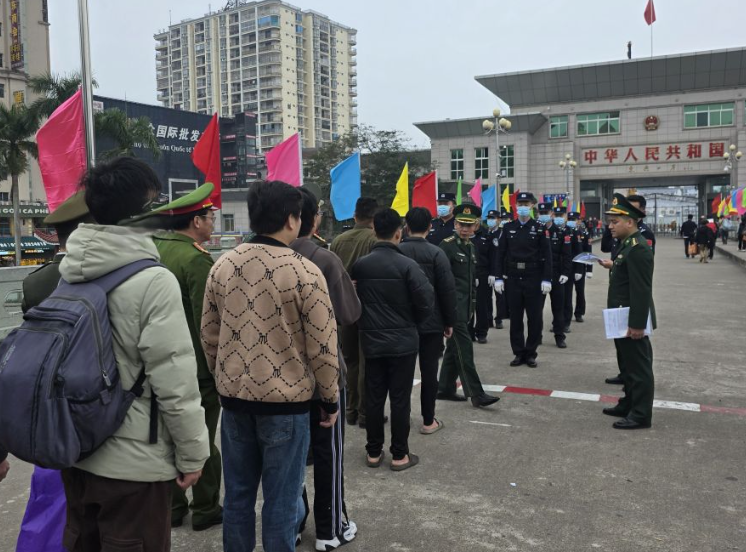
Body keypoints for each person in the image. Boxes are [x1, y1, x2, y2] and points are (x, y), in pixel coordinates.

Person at [59, 157, 210, 552]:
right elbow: (174, 380)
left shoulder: (69, 273)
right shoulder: (152, 280)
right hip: (134, 465)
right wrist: (194, 454)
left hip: (75, 449)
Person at [201, 180, 340, 552]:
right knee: (281, 501)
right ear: (293, 219)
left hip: (235, 401)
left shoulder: (223, 265)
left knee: (237, 496)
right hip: (287, 405)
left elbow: (209, 335)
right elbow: (323, 347)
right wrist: (329, 398)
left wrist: (225, 377)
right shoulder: (305, 271)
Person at [16, 191, 94, 552]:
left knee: (49, 489)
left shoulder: (35, 282)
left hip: (45, 401)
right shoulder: (99, 276)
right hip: (91, 400)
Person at [149, 183, 224, 532]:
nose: (212, 223)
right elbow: (207, 322)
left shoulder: (157, 248)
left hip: (159, 362)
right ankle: (206, 508)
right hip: (195, 368)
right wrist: (216, 368)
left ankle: (174, 507)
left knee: (167, 436)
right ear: (196, 222)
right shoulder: (195, 259)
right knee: (200, 439)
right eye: (210, 218)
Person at [290, 187, 360, 550]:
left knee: (290, 460)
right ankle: (330, 529)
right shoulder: (324, 259)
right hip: (324, 376)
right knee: (328, 454)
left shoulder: (265, 258)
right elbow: (349, 313)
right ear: (311, 219)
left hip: (282, 378)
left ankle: (292, 524)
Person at [351, 208, 434, 471]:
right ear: (400, 232)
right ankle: (400, 455)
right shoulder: (408, 266)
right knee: (400, 399)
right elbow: (426, 301)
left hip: (372, 341)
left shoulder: (361, 265)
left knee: (374, 398)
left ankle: (373, 452)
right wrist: (413, 323)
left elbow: (354, 301)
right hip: (403, 343)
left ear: (374, 231)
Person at [399, 207, 457, 434]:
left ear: (406, 227)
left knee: (402, 374)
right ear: (430, 227)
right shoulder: (436, 253)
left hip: (403, 322)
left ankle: (401, 419)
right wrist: (449, 321)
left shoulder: (397, 251)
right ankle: (428, 420)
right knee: (429, 372)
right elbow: (447, 291)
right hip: (432, 322)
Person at [600, 194, 656, 430]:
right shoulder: (627, 245)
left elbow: (641, 290)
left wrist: (637, 324)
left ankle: (641, 414)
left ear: (630, 222)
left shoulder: (638, 248)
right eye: (610, 222)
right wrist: (614, 265)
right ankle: (629, 403)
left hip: (631, 318)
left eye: (615, 222)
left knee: (639, 368)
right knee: (628, 366)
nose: (610, 226)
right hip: (621, 316)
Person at [437, 204, 500, 407]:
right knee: (464, 349)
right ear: (455, 224)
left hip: (465, 308)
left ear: (476, 226)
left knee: (453, 349)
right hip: (452, 308)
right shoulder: (446, 246)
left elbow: (470, 282)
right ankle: (476, 394)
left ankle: (445, 388)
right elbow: (440, 279)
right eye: (461, 224)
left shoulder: (471, 247)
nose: (464, 229)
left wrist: (471, 307)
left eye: (469, 225)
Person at [330, 197, 379, 428]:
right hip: (368, 307)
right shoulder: (375, 239)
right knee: (366, 362)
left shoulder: (338, 240)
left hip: (343, 307)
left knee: (349, 360)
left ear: (355, 215)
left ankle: (349, 410)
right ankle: (364, 413)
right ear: (374, 218)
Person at [493, 192, 553, 368]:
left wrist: (547, 279)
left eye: (526, 204)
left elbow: (547, 255)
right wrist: (498, 277)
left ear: (532, 205)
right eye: (520, 204)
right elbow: (500, 254)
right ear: (516, 206)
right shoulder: (508, 227)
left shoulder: (540, 228)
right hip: (513, 278)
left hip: (533, 277)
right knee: (516, 318)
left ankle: (531, 353)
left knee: (535, 318)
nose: (523, 207)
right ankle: (518, 353)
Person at [542, 204, 571, 348]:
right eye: (541, 212)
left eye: (546, 212)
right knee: (536, 310)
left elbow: (566, 255)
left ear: (551, 214)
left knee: (558, 308)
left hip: (557, 274)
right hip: (540, 275)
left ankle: (559, 336)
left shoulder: (560, 232)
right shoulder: (537, 230)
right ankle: (536, 336)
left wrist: (565, 273)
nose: (543, 215)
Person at [470, 210, 498, 343]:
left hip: (483, 274)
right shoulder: (464, 234)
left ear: (479, 219)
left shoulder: (487, 235)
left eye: (475, 218)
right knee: (468, 305)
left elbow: (494, 256)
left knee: (482, 305)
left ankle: (482, 332)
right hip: (468, 273)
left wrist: (493, 273)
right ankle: (469, 332)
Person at [565, 211, 593, 328]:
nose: (572, 221)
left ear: (579, 220)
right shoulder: (565, 231)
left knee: (580, 291)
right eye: (570, 219)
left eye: (574, 219)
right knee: (567, 293)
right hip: (567, 267)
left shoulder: (584, 233)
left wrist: (589, 269)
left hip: (580, 266)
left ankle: (579, 312)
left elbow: (588, 252)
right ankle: (566, 316)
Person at [491, 209, 512, 330]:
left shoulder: (506, 233)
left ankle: (500, 317)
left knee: (501, 296)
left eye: (506, 219)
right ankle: (491, 318)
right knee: (489, 297)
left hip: (504, 268)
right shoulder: (489, 233)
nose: (504, 221)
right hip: (491, 268)